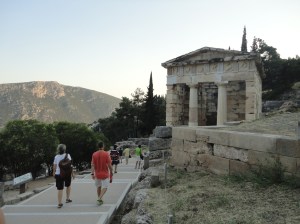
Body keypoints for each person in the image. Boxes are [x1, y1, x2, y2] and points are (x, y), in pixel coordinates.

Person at [91, 141, 113, 205]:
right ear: (103, 146)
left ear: (98, 146)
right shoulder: (106, 154)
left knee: (98, 186)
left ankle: (100, 200)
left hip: (97, 173)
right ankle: (99, 198)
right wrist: (111, 171)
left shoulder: (94, 154)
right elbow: (109, 165)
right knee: (105, 187)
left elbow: (92, 165)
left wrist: (92, 174)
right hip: (105, 173)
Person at [53, 144, 74, 208]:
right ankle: (67, 199)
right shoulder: (68, 155)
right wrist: (72, 173)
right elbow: (70, 165)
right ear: (64, 149)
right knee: (68, 185)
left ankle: (59, 203)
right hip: (67, 173)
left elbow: (54, 166)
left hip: (59, 174)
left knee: (60, 188)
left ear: (58, 150)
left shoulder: (56, 157)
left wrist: (53, 173)